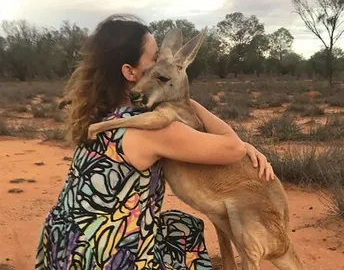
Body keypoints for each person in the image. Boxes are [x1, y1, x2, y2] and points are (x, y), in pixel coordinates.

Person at [35, 14, 275, 270]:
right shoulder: (154, 130)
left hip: (64, 241)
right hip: (104, 253)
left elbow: (199, 135)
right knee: (182, 236)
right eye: (154, 60)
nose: (163, 63)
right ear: (130, 72)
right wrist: (180, 93)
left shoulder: (103, 113)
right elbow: (233, 148)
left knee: (181, 226)